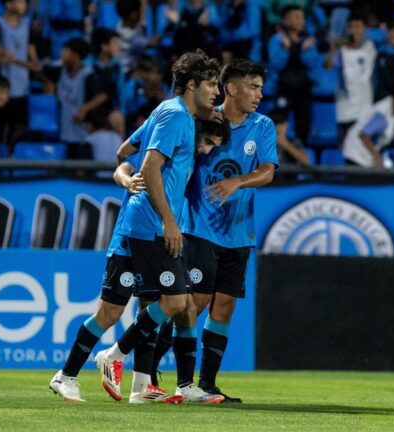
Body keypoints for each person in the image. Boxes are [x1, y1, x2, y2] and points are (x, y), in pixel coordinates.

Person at [49, 117, 228, 404]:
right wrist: (125, 179)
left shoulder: (185, 149)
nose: (207, 150)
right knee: (109, 314)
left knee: (155, 308)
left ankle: (142, 386)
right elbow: (123, 159)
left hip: (156, 234)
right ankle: (67, 375)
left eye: (212, 146)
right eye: (207, 143)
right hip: (131, 236)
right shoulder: (167, 127)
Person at [93, 51, 224, 404]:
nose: (217, 91)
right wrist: (168, 220)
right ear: (192, 85)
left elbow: (125, 150)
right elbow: (149, 167)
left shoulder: (168, 113)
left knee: (179, 305)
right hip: (154, 225)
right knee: (175, 301)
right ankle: (114, 356)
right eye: (211, 84)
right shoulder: (173, 115)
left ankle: (149, 385)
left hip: (164, 223)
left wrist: (124, 175)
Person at [175, 59, 279, 403]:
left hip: (239, 234)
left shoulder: (263, 126)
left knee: (224, 308)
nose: (259, 95)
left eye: (261, 88)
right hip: (200, 228)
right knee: (197, 302)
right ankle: (177, 380)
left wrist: (239, 180)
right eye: (253, 87)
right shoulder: (203, 118)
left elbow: (268, 172)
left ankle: (206, 385)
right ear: (231, 89)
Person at [0, 0, 40, 151]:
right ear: (8, 4)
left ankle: (14, 155)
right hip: (4, 84)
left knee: (17, 126)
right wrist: (2, 53)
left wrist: (35, 63)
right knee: (1, 125)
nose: (23, 6)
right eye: (20, 2)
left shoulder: (26, 25)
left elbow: (30, 47)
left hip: (21, 84)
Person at [267, 5, 320, 142]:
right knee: (279, 121)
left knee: (303, 125)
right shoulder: (276, 40)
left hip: (303, 89)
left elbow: (312, 64)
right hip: (283, 88)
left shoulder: (308, 41)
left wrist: (302, 50)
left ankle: (299, 151)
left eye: (302, 18)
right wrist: (288, 48)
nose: (301, 21)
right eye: (297, 17)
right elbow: (276, 64)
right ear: (286, 21)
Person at [43, 38, 96, 159]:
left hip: (81, 130)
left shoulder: (89, 75)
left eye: (65, 51)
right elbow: (39, 70)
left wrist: (84, 109)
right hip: (63, 127)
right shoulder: (59, 71)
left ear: (75, 55)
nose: (62, 53)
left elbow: (102, 95)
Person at [342, 79, 394, 167]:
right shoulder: (382, 113)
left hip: (365, 156)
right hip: (356, 155)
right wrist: (377, 156)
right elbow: (364, 135)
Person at [335, 13, 377, 141]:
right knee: (344, 144)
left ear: (365, 29)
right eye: (351, 27)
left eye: (358, 26)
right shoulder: (340, 49)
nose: (355, 30)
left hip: (365, 106)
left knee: (361, 143)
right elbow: (329, 65)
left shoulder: (370, 47)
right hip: (345, 106)